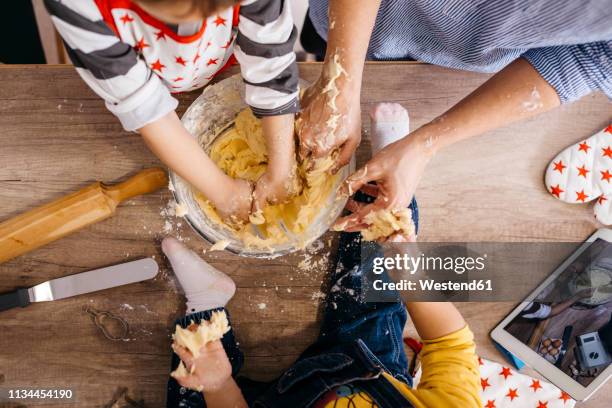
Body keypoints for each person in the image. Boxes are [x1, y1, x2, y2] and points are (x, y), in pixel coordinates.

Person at [161, 108, 480, 407]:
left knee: (192, 385)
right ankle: (387, 176)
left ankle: (207, 301)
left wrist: (219, 386)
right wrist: (410, 277)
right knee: (378, 265)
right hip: (364, 364)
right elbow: (450, 345)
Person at [295, 0, 612, 232]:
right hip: (351, 17)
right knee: (318, 43)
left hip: (459, 63)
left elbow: (590, 59)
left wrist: (424, 145)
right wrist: (339, 81)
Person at [44, 0, 301, 222]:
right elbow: (146, 108)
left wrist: (281, 171)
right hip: (141, 81)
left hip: (218, 63)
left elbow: (270, 63)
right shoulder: (81, 6)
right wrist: (224, 194)